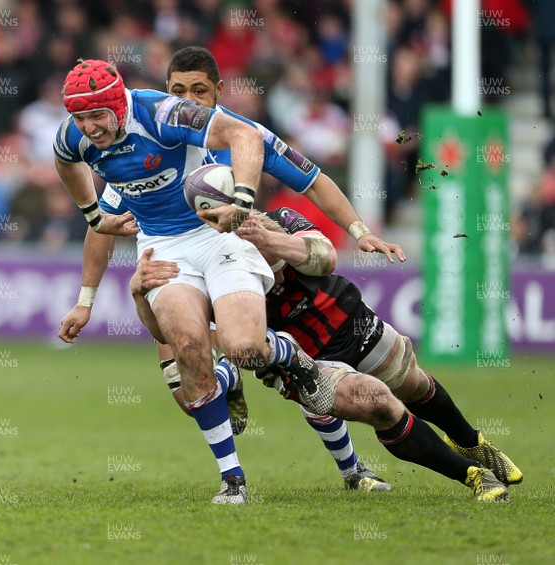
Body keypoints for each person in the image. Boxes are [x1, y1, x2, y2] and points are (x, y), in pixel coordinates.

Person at [53, 58, 330, 504]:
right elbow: (65, 163)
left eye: (96, 116)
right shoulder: (72, 135)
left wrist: (241, 198)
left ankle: (280, 351)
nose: (89, 127)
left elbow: (244, 135)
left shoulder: (163, 113)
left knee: (245, 348)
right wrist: (93, 215)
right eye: (80, 117)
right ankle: (232, 478)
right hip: (163, 249)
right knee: (186, 349)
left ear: (118, 105)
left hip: (214, 233)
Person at [132, 207, 518, 502]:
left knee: (414, 385)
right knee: (380, 405)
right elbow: (175, 340)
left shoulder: (280, 218)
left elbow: (325, 255)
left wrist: (266, 241)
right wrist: (140, 294)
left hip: (350, 322)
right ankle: (471, 474)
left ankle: (471, 442)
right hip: (308, 362)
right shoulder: (201, 272)